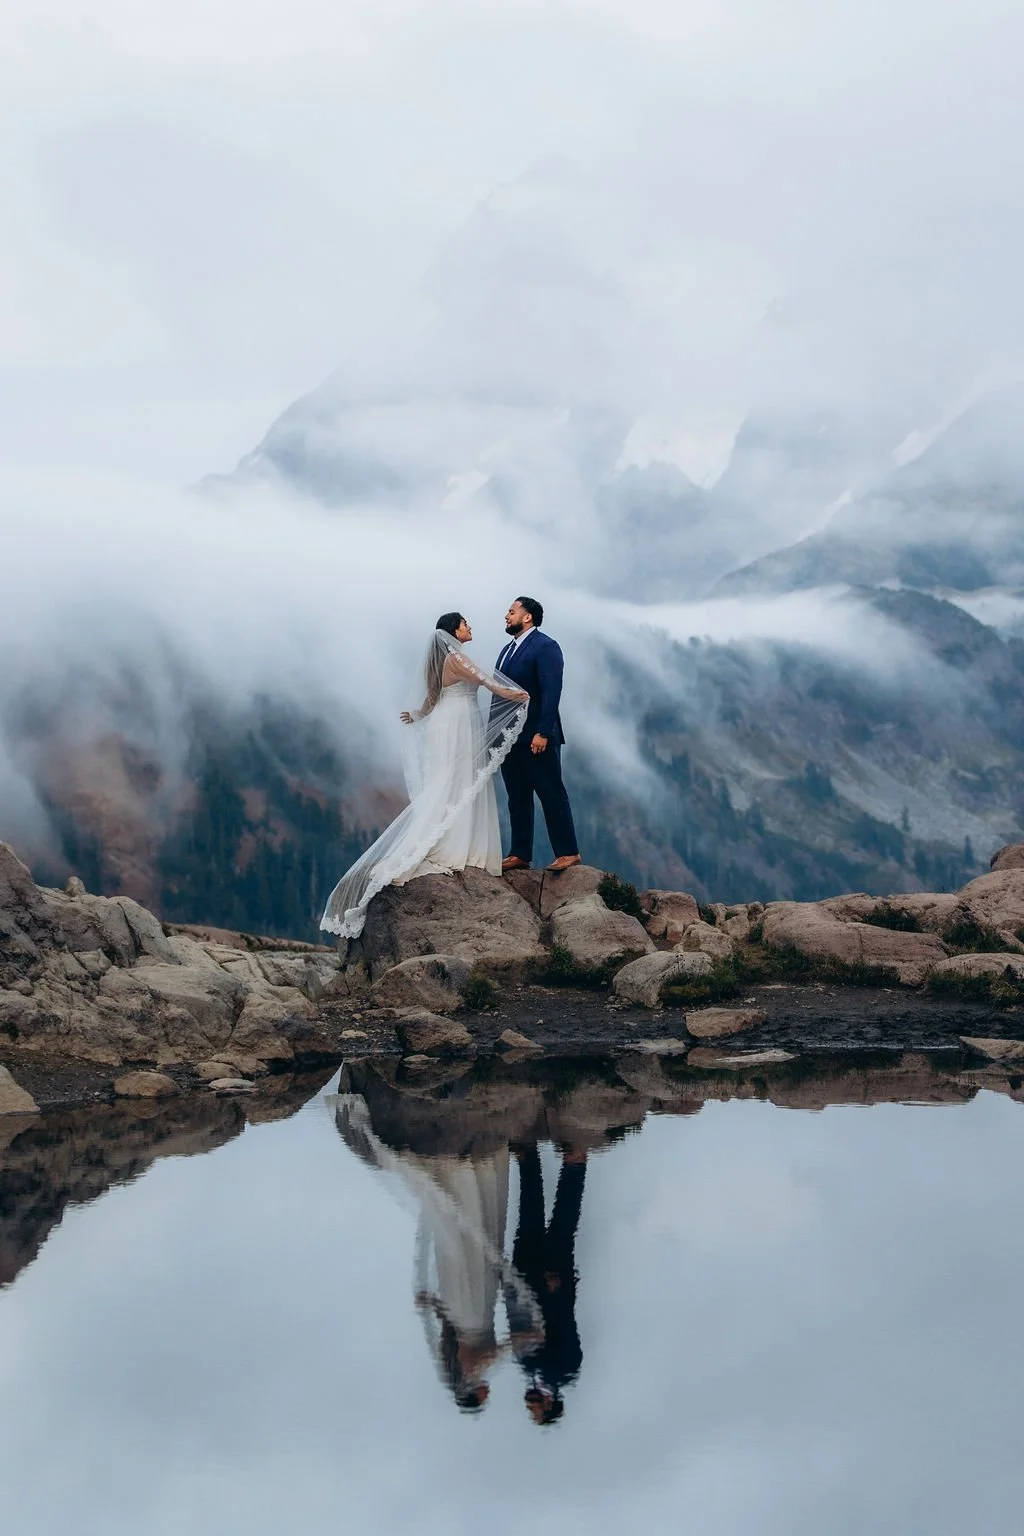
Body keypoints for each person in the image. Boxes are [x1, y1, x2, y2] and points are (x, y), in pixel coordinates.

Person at [320, 613, 528, 939]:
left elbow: (433, 697)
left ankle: (451, 836)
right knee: (458, 781)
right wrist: (516, 696)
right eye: (465, 623)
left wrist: (417, 714)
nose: (470, 627)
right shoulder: (457, 657)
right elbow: (487, 681)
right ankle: (456, 843)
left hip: (447, 722)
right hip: (459, 723)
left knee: (449, 782)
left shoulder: (443, 659)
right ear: (453, 630)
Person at [494, 596, 581, 873]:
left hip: (536, 736)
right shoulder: (507, 650)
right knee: (517, 797)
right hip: (509, 738)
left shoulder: (545, 646)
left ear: (527, 616)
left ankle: (568, 852)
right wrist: (496, 735)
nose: (507, 616)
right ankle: (519, 853)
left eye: (511, 611)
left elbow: (551, 691)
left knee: (550, 792)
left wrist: (543, 731)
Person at [505, 1142, 588, 1425]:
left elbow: (516, 1325)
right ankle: (575, 1164)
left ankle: (527, 1156)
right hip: (553, 1286)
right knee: (563, 1226)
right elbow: (566, 1326)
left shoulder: (527, 1368)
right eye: (536, 1411)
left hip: (524, 1283)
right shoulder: (564, 1370)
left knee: (528, 1217)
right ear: (550, 1403)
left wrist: (510, 1288)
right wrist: (558, 1293)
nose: (530, 1407)